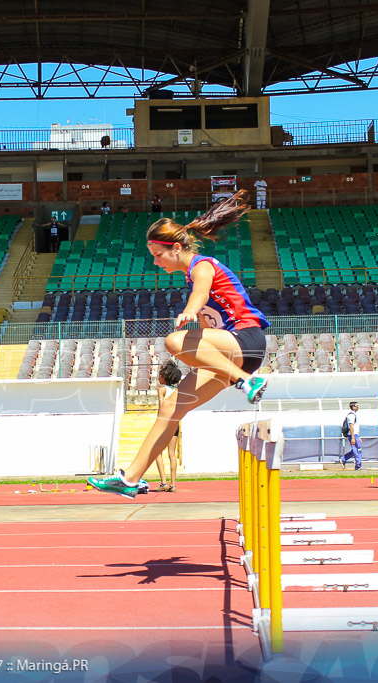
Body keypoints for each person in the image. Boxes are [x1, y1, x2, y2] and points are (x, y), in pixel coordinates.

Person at [88, 190, 270, 499]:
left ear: (175, 249)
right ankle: (130, 478)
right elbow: (207, 328)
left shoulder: (202, 266)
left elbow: (200, 293)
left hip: (247, 340)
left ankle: (246, 381)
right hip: (231, 351)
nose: (156, 262)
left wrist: (188, 310)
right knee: (170, 407)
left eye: (158, 255)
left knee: (173, 341)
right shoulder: (190, 273)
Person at [153, 360, 183, 492]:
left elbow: (161, 407)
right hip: (175, 422)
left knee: (157, 452)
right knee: (172, 454)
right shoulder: (177, 390)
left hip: (165, 423)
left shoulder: (162, 389)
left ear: (164, 376)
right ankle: (173, 484)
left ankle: (163, 482)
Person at [341, 401, 362, 470]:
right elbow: (351, 426)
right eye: (356, 406)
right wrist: (353, 437)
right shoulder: (351, 415)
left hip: (355, 435)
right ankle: (358, 466)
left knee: (355, 450)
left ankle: (344, 459)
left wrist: (358, 436)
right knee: (357, 450)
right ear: (353, 407)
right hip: (353, 435)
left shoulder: (354, 415)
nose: (357, 407)